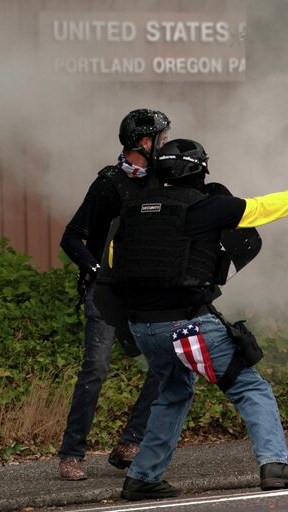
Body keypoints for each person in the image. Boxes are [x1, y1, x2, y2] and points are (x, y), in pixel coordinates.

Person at [109, 138, 288, 500]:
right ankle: (274, 464)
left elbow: (115, 265)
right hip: (186, 326)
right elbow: (263, 209)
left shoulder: (133, 208)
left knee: (172, 392)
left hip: (142, 327)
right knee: (250, 387)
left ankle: (142, 477)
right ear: (199, 170)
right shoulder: (207, 208)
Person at [58, 108, 171, 480]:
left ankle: (129, 444)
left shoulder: (162, 180)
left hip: (142, 292)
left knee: (163, 365)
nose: (165, 144)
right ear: (144, 142)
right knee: (96, 369)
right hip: (105, 294)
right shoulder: (108, 183)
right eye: (161, 138)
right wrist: (93, 270)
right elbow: (71, 237)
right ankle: (71, 455)